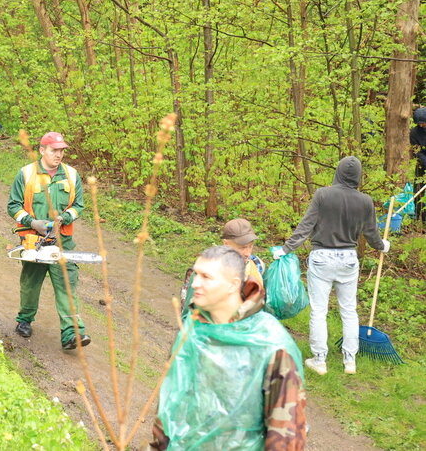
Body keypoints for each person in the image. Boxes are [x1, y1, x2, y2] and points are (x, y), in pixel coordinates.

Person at [151, 246, 306, 450]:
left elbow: (286, 435)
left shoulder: (270, 345)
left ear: (233, 284)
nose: (195, 283)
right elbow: (170, 403)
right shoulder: (192, 331)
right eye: (195, 274)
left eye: (206, 277)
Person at [274, 156, 389, 375]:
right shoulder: (365, 200)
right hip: (348, 260)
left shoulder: (322, 195)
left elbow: (306, 225)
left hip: (322, 258)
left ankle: (320, 360)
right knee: (349, 311)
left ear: (337, 172)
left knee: (319, 311)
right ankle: (350, 360)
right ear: (358, 176)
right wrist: (382, 246)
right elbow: (371, 234)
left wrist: (286, 248)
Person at [7, 132, 90, 350]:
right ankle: (24, 319)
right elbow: (13, 206)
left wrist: (65, 217)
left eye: (62, 150)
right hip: (34, 240)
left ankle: (73, 333)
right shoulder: (26, 174)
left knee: (66, 284)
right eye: (54, 150)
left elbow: (78, 205)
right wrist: (31, 222)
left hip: (62, 241)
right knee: (31, 283)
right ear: (42, 150)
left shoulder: (71, 175)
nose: (59, 154)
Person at [180, 218, 265, 319]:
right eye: (242, 247)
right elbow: (187, 316)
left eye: (250, 246)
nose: (248, 253)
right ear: (226, 244)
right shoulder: (207, 272)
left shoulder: (256, 266)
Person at [411, 107, 426, 222]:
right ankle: (419, 217)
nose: (421, 126)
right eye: (419, 124)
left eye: (423, 123)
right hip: (422, 164)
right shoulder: (414, 133)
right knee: (419, 190)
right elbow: (417, 151)